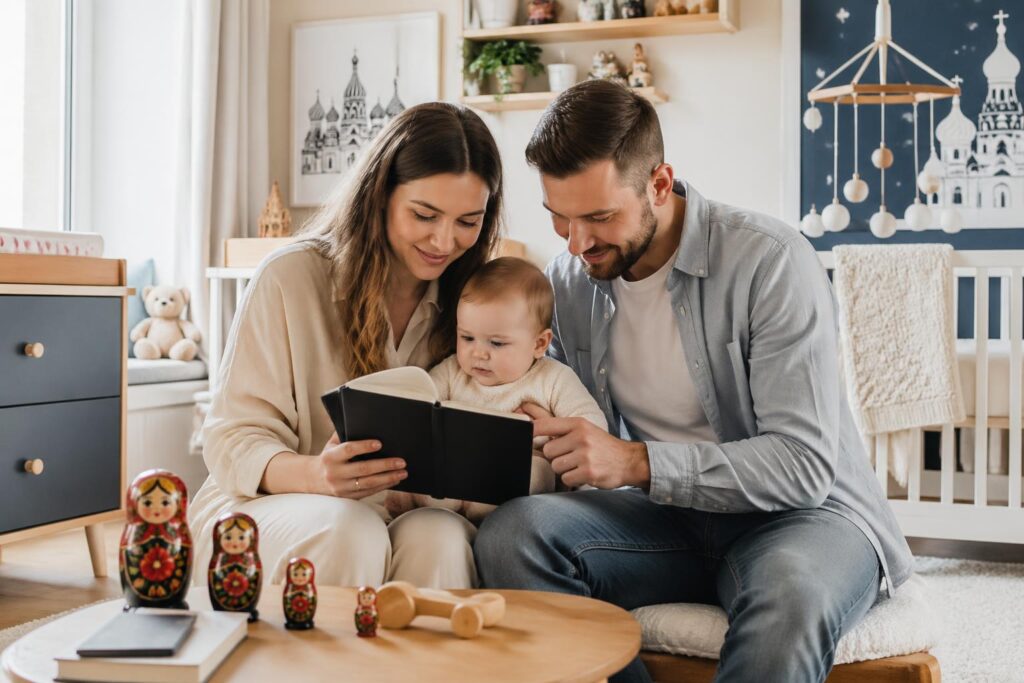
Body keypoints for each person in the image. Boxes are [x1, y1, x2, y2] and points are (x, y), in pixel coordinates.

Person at [474, 80, 915, 682]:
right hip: (664, 516)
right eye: (559, 217)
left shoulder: (770, 261)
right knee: (511, 538)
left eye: (599, 217)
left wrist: (635, 462)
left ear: (659, 184)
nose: (577, 243)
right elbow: (560, 418)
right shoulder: (569, 284)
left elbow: (803, 465)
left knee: (791, 597)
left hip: (805, 516)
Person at [189, 102, 504, 590]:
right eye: (424, 215)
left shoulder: (475, 303)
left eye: (468, 221)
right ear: (380, 196)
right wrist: (318, 475)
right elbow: (232, 442)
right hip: (259, 506)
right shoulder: (289, 277)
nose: (444, 241)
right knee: (352, 529)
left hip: (391, 513)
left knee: (440, 536)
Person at [385, 257, 607, 523]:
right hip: (460, 465)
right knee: (432, 464)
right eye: (467, 338)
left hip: (523, 464)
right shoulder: (452, 371)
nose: (478, 353)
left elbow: (592, 428)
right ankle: (426, 498)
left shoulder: (553, 378)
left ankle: (485, 503)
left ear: (539, 344)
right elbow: (419, 405)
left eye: (497, 343)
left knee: (534, 470)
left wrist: (556, 436)